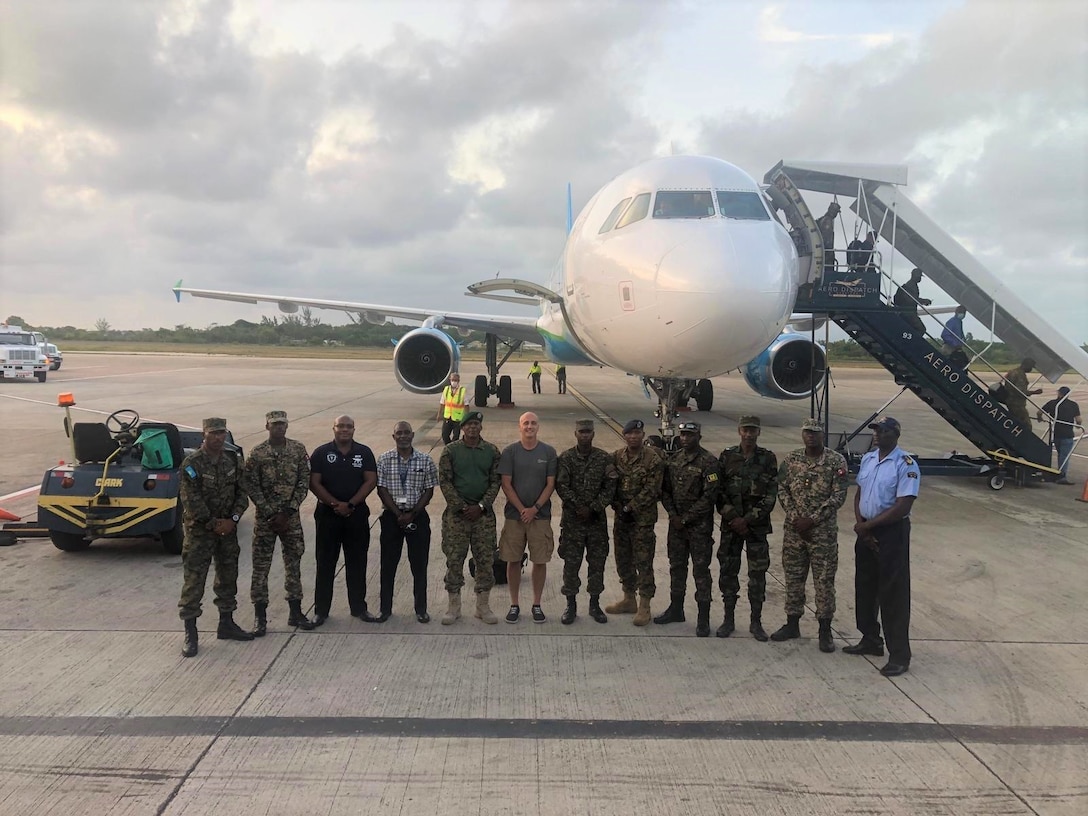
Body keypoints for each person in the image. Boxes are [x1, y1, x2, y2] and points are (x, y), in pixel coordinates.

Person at [848, 416, 920, 677]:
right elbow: (859, 494)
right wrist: (861, 525)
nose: (876, 435)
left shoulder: (906, 464)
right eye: (875, 430)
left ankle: (900, 655)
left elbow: (903, 505)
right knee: (865, 588)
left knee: (893, 594)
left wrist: (869, 527)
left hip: (892, 533)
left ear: (895, 434)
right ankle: (870, 639)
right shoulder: (868, 459)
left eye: (882, 430)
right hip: (866, 529)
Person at [770, 418, 849, 652]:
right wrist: (795, 516)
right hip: (794, 531)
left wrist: (813, 519)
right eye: (807, 432)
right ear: (802, 434)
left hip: (822, 534)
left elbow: (838, 496)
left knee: (824, 582)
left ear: (822, 435)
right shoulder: (792, 460)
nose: (811, 436)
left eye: (815, 433)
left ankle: (825, 630)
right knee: (793, 579)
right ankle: (792, 623)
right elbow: (781, 488)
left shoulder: (836, 461)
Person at [177, 417, 253, 658]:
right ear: (204, 434)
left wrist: (233, 520)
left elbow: (243, 493)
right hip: (200, 534)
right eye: (214, 434)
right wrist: (213, 523)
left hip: (227, 532)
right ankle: (191, 632)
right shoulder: (192, 464)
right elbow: (191, 501)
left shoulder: (233, 460)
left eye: (222, 433)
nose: (218, 438)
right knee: (194, 582)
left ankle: (226, 623)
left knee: (228, 577)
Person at [243, 410, 315, 637]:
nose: (279, 428)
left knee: (293, 564)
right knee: (260, 568)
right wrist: (269, 512)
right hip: (266, 520)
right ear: (267, 426)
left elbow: (304, 482)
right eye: (274, 424)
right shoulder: (257, 453)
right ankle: (260, 617)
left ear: (287, 425)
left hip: (290, 518)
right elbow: (251, 485)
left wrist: (288, 511)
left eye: (282, 424)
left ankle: (295, 611)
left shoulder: (298, 450)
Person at [308, 415, 379, 626]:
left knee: (357, 563)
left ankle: (359, 608)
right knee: (325, 563)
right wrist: (334, 504)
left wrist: (350, 504)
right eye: (341, 426)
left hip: (355, 515)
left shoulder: (364, 452)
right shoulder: (321, 453)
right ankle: (321, 611)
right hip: (328, 516)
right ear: (334, 428)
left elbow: (370, 480)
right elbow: (314, 483)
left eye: (349, 426)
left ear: (354, 429)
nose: (345, 430)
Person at [716, 415, 778, 641]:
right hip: (731, 526)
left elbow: (771, 494)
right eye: (745, 430)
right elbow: (718, 491)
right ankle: (728, 619)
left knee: (757, 575)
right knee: (728, 572)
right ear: (739, 431)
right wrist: (733, 517)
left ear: (759, 432)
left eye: (753, 430)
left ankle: (756, 621)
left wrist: (748, 519)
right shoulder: (727, 456)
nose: (749, 434)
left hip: (756, 528)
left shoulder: (767, 458)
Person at [437, 411, 502, 625]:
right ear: (462, 428)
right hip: (457, 517)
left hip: (483, 516)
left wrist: (481, 506)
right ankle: (453, 607)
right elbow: (445, 481)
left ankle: (482, 606)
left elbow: (496, 482)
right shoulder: (451, 450)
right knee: (454, 560)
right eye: (469, 424)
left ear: (481, 427)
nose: (473, 427)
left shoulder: (491, 451)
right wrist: (462, 506)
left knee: (485, 561)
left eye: (476, 424)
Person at [656, 421, 720, 637]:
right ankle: (676, 609)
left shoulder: (709, 462)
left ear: (698, 436)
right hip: (676, 527)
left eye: (690, 435)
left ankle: (703, 618)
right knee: (677, 567)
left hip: (698, 527)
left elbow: (709, 496)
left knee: (701, 571)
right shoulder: (673, 460)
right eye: (683, 435)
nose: (685, 438)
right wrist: (673, 515)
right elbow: (665, 491)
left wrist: (685, 519)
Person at [555, 419, 616, 625]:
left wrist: (594, 508)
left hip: (596, 522)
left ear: (593, 434)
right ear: (575, 434)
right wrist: (577, 506)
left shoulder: (604, 459)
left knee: (597, 564)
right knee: (571, 565)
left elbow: (610, 488)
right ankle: (570, 605)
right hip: (573, 522)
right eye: (581, 431)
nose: (584, 435)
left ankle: (594, 604)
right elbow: (561, 485)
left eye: (588, 432)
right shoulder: (566, 458)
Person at [498, 412, 558, 623]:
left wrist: (535, 508)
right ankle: (514, 604)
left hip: (540, 517)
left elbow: (550, 484)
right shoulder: (510, 452)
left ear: (538, 427)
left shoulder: (548, 452)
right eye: (526, 423)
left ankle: (536, 604)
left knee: (539, 561)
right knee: (513, 560)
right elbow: (506, 483)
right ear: (519, 426)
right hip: (515, 516)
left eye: (533, 423)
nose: (529, 426)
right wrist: (523, 508)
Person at [376, 421, 438, 622]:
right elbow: (381, 489)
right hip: (391, 518)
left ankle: (421, 609)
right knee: (388, 565)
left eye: (406, 433)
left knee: (419, 566)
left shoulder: (425, 460)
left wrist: (412, 513)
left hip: (417, 517)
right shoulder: (384, 460)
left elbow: (429, 491)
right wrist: (397, 514)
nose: (403, 436)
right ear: (393, 437)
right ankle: (385, 609)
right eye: (398, 433)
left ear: (412, 436)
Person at [606, 419, 664, 626]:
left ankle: (645, 606)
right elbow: (611, 483)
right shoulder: (617, 456)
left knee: (643, 562)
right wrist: (616, 505)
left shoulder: (652, 459)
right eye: (629, 433)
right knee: (623, 559)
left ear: (642, 435)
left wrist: (630, 506)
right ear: (624, 435)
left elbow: (653, 489)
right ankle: (629, 598)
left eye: (637, 433)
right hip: (622, 519)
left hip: (642, 520)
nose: (633, 437)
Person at [1038, 387, 1082, 485]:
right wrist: (1078, 426)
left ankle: (1058, 473)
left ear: (1059, 393)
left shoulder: (1052, 403)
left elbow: (1039, 412)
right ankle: (1062, 475)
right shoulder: (1073, 405)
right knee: (1064, 456)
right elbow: (1078, 420)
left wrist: (1039, 418)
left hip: (1056, 433)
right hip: (1067, 434)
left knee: (1060, 454)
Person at [1003, 357, 1044, 432]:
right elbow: (1020, 392)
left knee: (1016, 423)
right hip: (1017, 404)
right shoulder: (1020, 375)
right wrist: (1034, 392)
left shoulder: (1013, 371)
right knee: (1027, 426)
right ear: (1027, 365)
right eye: (1031, 367)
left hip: (1010, 401)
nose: (1031, 369)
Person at [892, 268, 932, 337]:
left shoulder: (911, 285)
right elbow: (911, 300)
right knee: (921, 329)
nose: (920, 278)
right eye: (919, 276)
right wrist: (924, 301)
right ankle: (913, 342)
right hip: (908, 313)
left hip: (908, 312)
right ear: (915, 276)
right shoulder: (910, 286)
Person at [438, 373, 469, 445]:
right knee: (444, 435)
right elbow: (442, 403)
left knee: (456, 436)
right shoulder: (446, 389)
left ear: (458, 381)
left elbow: (466, 405)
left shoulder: (462, 390)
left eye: (455, 380)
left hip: (458, 419)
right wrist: (439, 414)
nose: (454, 382)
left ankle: (452, 448)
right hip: (447, 417)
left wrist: (466, 417)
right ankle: (449, 447)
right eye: (452, 380)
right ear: (450, 380)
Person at [816, 202, 841, 275]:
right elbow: (827, 239)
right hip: (826, 255)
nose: (836, 214)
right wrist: (829, 253)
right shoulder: (827, 221)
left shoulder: (822, 219)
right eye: (836, 212)